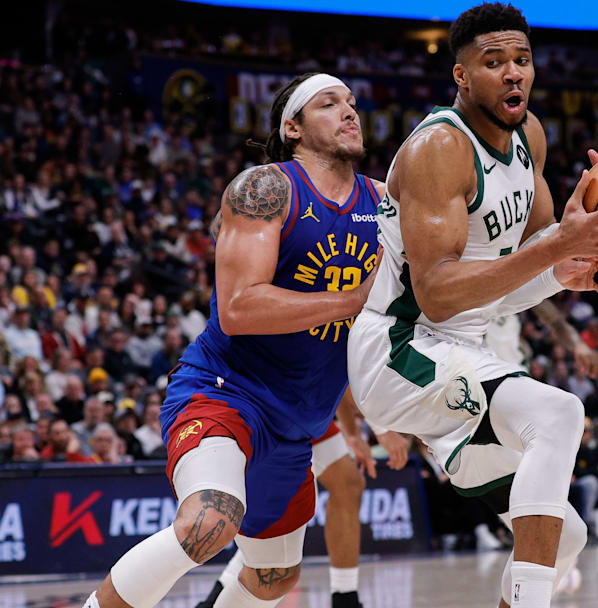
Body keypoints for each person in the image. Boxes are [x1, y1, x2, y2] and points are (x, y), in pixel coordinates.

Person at [345, 5, 598, 607]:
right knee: (558, 414)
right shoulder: (438, 149)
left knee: (564, 537)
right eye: (493, 62)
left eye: (522, 61)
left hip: (464, 349)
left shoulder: (531, 138)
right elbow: (438, 294)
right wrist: (555, 251)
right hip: (400, 347)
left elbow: (534, 258)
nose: (512, 75)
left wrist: (574, 264)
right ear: (461, 75)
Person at [82, 72, 383, 608]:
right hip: (225, 393)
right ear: (292, 126)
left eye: (352, 103)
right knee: (211, 518)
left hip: (298, 426)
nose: (349, 112)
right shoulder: (265, 188)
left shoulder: (382, 205)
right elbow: (240, 308)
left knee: (274, 578)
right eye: (330, 103)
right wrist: (352, 299)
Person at [195, 395, 408, 608]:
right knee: (283, 514)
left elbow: (339, 376)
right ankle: (215, 597)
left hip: (303, 405)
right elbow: (349, 375)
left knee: (348, 485)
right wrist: (382, 430)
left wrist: (352, 433)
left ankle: (345, 596)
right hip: (272, 405)